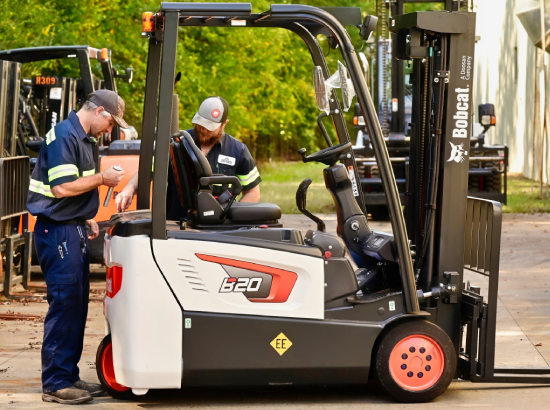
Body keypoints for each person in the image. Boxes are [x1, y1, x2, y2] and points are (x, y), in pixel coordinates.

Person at [27, 89, 127, 405]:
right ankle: (55, 382)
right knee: (65, 303)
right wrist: (102, 179)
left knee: (78, 304)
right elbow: (60, 186)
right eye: (110, 122)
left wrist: (84, 217)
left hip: (71, 228)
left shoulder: (84, 140)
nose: (110, 129)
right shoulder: (63, 136)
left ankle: (68, 375)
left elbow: (71, 191)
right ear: (98, 111)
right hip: (55, 232)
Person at [116, 96, 261, 218]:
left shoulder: (238, 150)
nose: (203, 129)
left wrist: (230, 217)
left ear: (224, 124)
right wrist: (129, 189)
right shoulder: (176, 143)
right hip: (175, 226)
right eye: (201, 124)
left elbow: (253, 192)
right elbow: (147, 173)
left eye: (209, 126)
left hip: (217, 230)